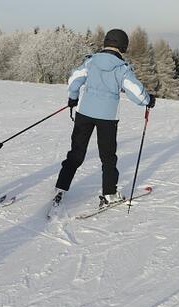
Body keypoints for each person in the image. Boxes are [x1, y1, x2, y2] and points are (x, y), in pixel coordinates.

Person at [53, 29, 156, 208]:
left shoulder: (90, 61)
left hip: (84, 113)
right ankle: (109, 194)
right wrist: (149, 100)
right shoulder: (121, 68)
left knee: (76, 153)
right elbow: (136, 92)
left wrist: (73, 97)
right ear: (123, 46)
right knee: (108, 157)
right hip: (107, 118)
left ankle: (60, 188)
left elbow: (74, 80)